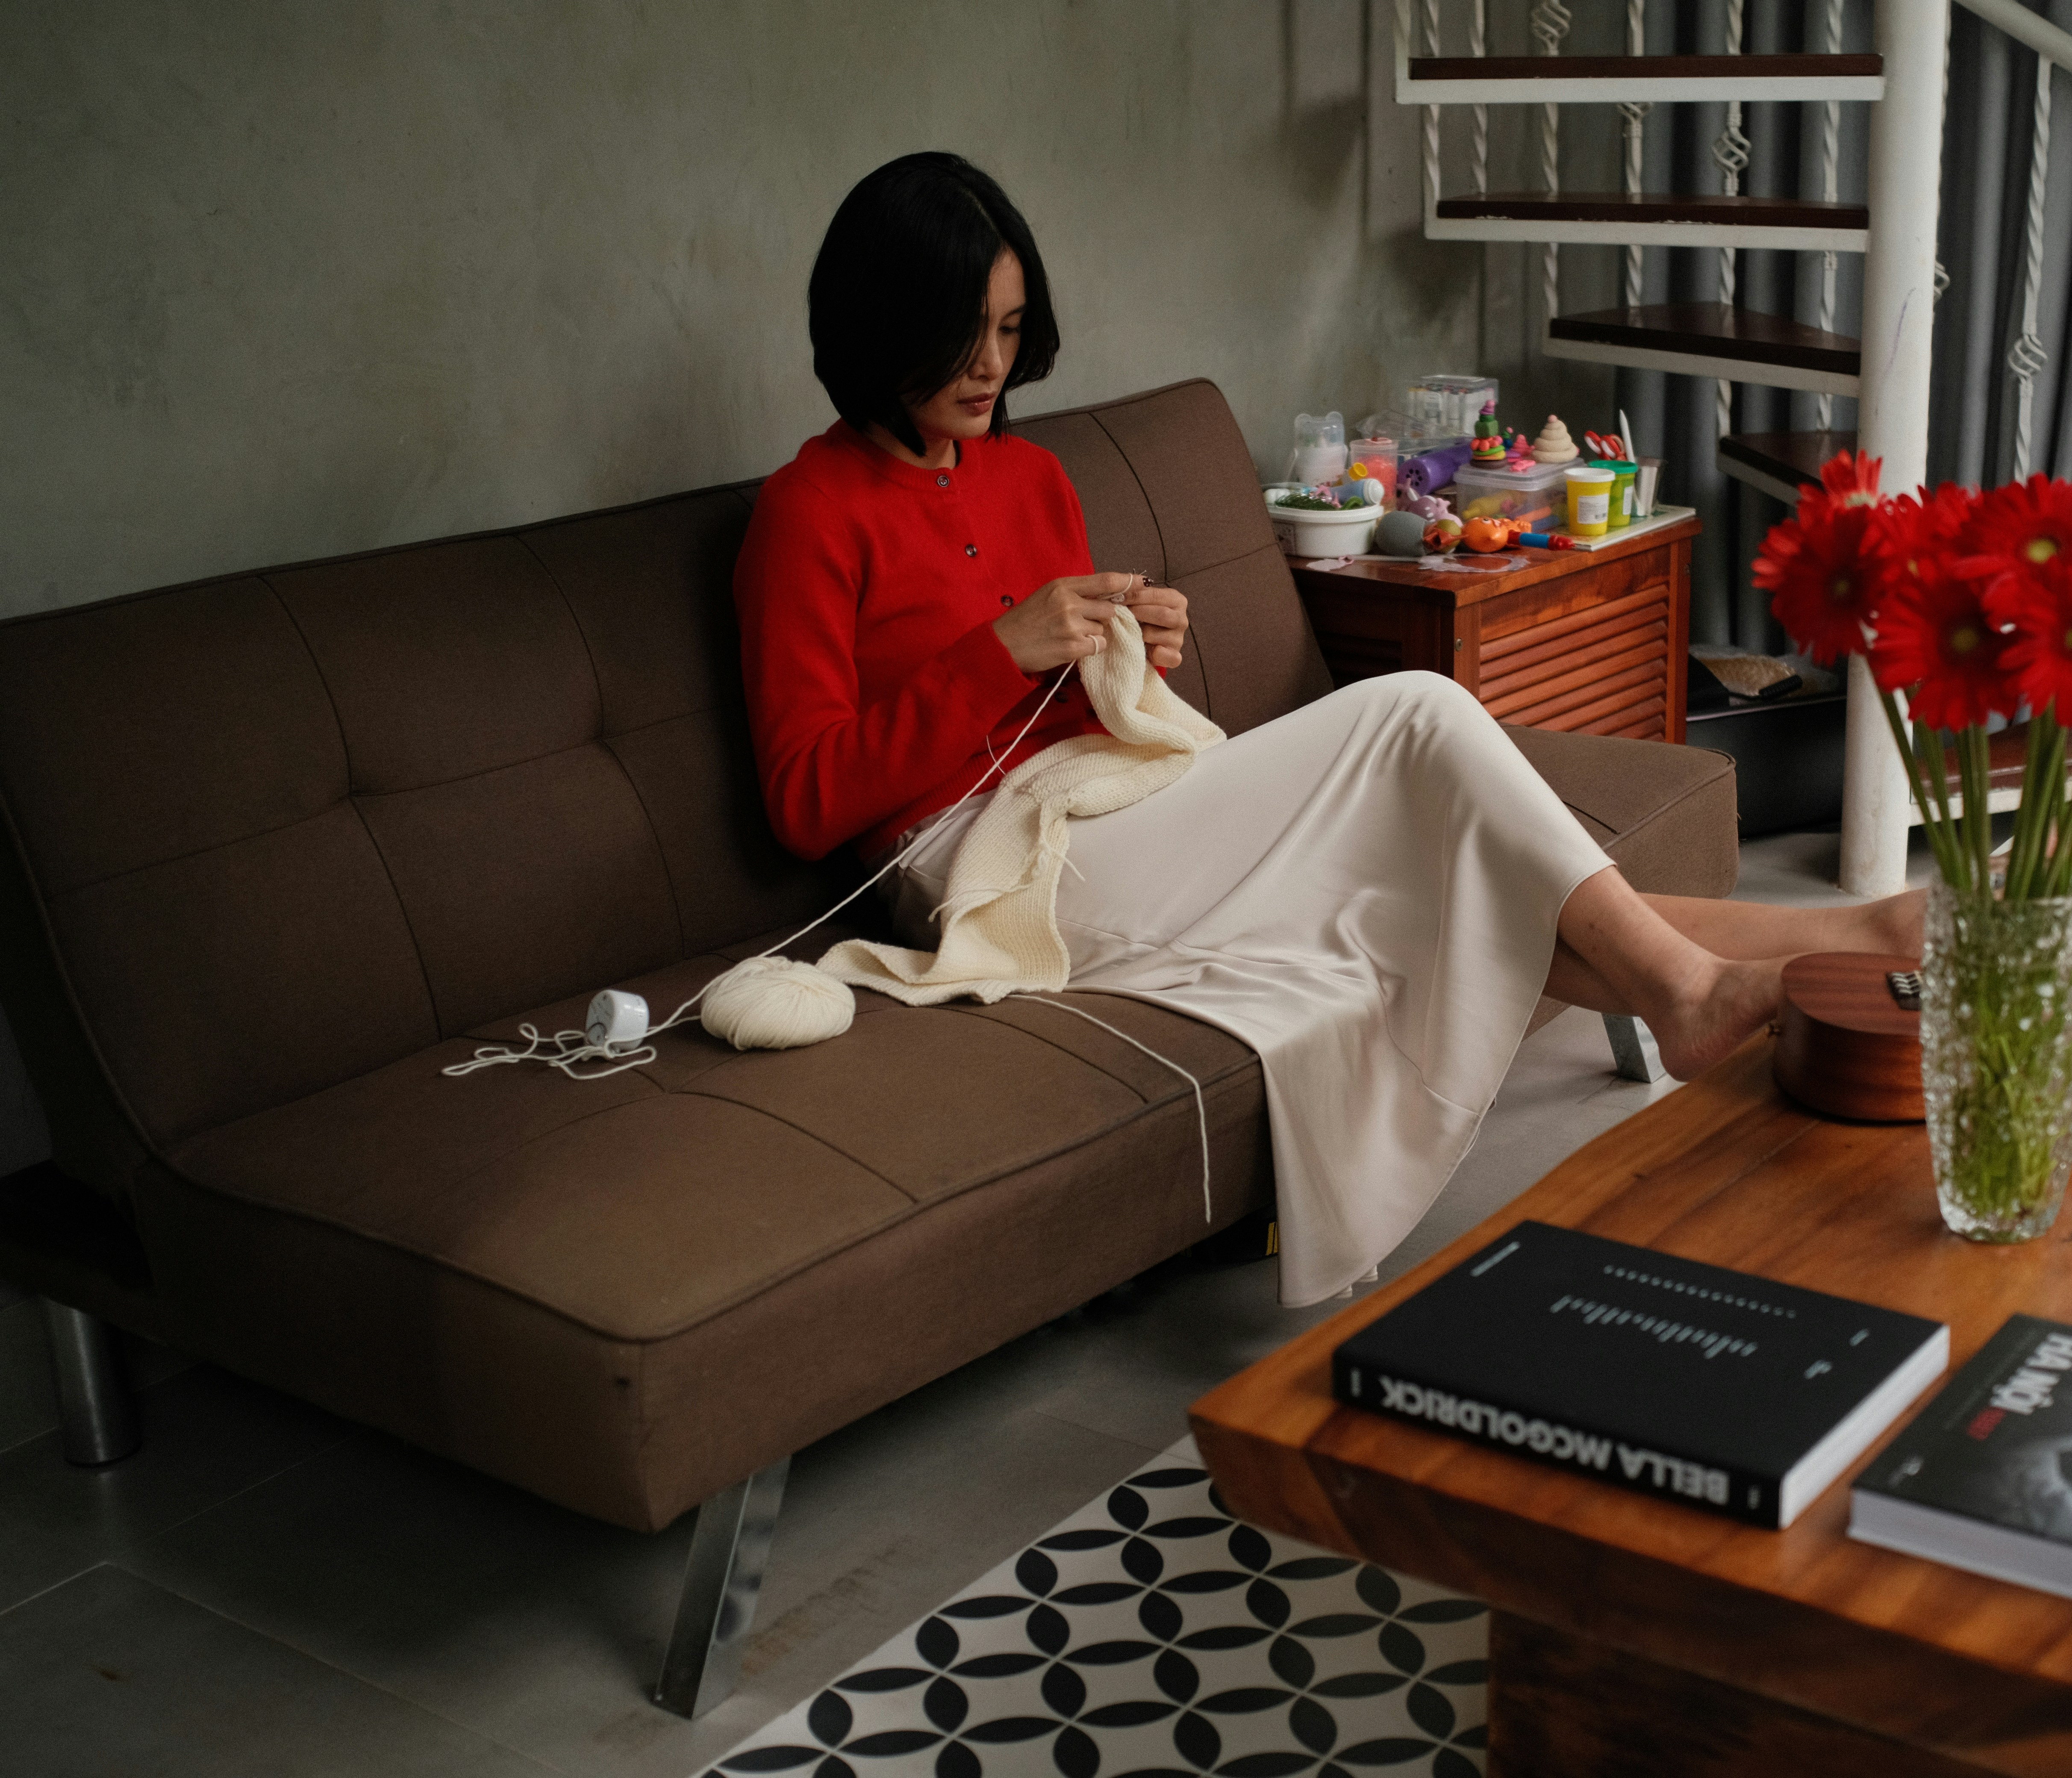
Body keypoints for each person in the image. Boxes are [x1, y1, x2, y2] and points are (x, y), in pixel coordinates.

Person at [734, 152, 1922, 1304]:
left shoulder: (1029, 475)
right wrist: (999, 653)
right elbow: (806, 800)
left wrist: (1129, 653)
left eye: (1008, 329)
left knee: (1431, 876)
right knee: (1418, 710)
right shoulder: (807, 512)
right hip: (986, 865)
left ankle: (1805, 953)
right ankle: (1745, 970)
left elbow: (1065, 700)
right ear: (883, 324)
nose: (993, 365)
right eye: (965, 335)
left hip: (1119, 796)